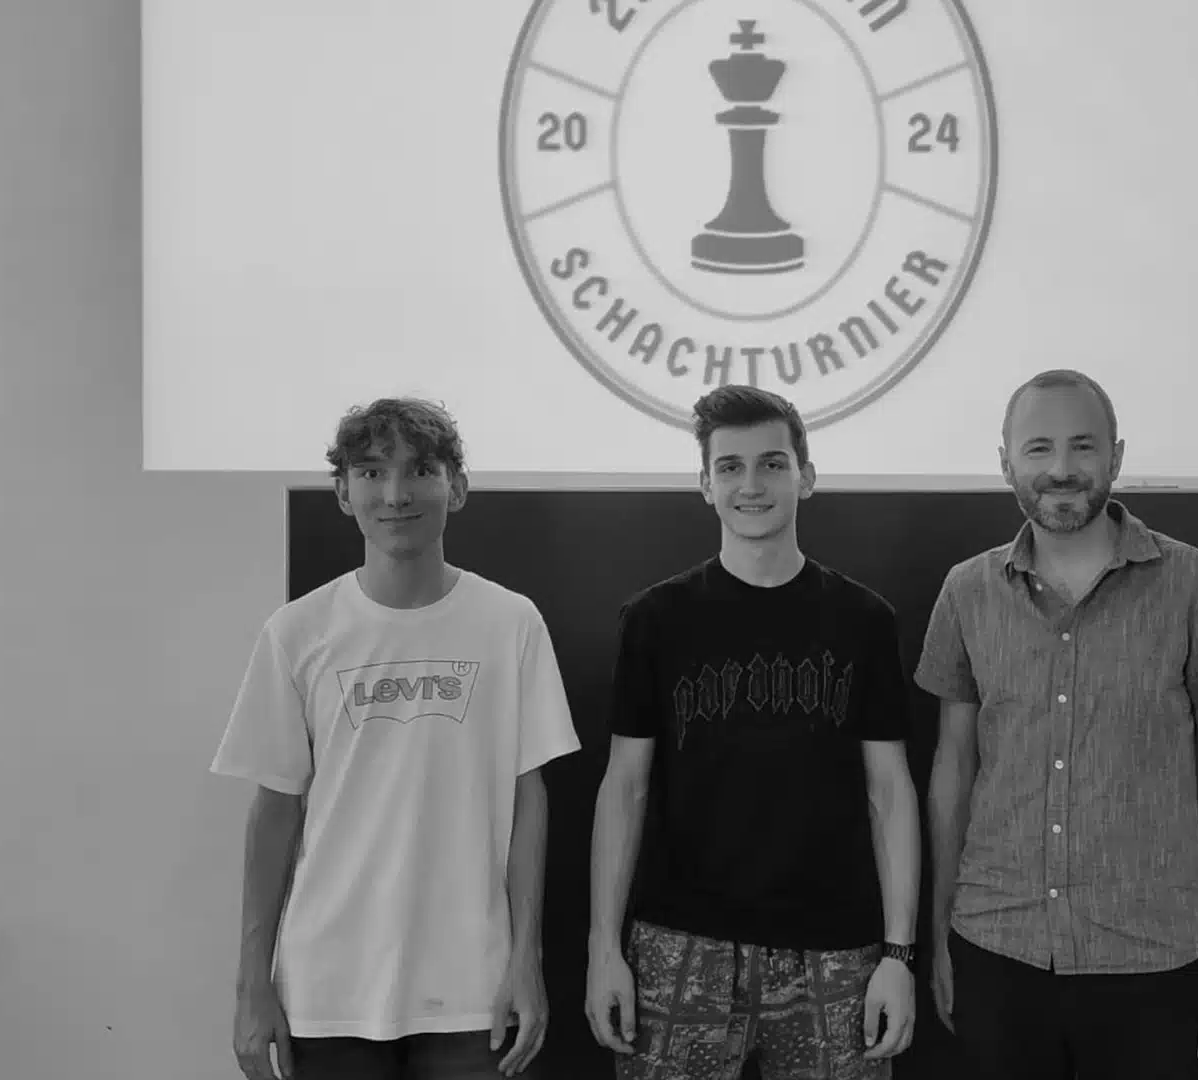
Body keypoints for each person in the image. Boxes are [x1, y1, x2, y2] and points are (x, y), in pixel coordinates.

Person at [917, 370, 1198, 1080]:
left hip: (1153, 965)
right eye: (1038, 448)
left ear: (1116, 456)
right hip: (995, 953)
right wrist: (938, 936)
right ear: (1006, 463)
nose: (1061, 468)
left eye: (1082, 446)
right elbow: (952, 771)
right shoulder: (966, 592)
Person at [210, 397, 581, 1080]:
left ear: (456, 487)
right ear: (343, 492)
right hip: (328, 992)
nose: (395, 494)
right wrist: (250, 983)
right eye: (372, 472)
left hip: (473, 990)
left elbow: (529, 802)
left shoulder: (511, 623)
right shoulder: (296, 632)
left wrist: (525, 960)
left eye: (420, 470)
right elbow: (275, 811)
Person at [583, 386, 922, 1080]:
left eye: (772, 464)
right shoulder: (655, 619)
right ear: (706, 485)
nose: (751, 485)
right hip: (680, 946)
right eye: (730, 467)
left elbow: (889, 791)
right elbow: (624, 788)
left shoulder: (863, 620)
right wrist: (602, 948)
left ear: (806, 476)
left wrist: (898, 954)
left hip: (836, 949)